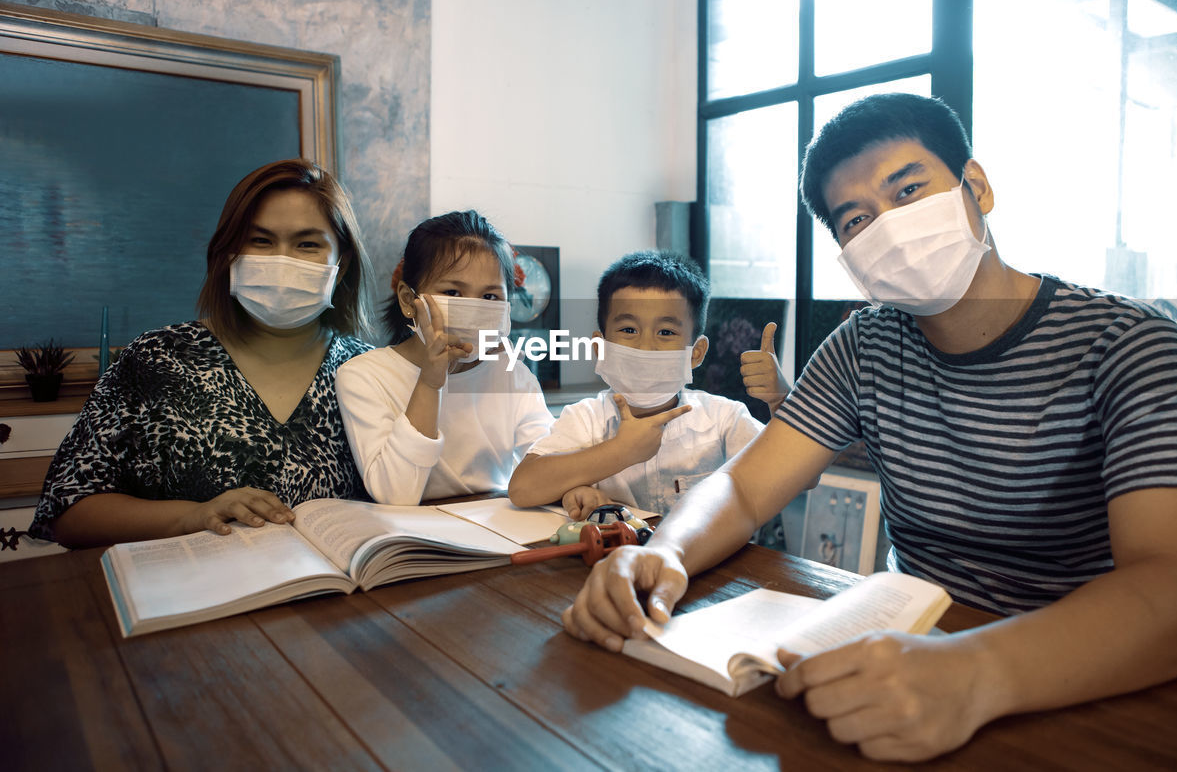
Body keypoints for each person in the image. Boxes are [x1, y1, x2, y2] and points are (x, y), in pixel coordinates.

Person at [561, 94, 1177, 761]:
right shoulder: (866, 346)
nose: (891, 227)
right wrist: (665, 550)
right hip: (909, 659)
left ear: (976, 186)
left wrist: (976, 671)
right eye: (857, 219)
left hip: (1083, 680)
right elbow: (743, 488)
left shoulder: (1128, 342)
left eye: (909, 189)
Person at [32, 158, 377, 547]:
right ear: (229, 253)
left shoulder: (370, 370)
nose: (283, 260)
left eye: (307, 244)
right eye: (260, 241)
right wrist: (191, 516)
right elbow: (69, 512)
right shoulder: (156, 360)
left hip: (343, 600)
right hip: (199, 599)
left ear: (342, 262)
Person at [508, 250, 779, 520]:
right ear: (600, 348)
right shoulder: (586, 419)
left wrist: (779, 400)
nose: (646, 347)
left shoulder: (724, 419)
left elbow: (796, 473)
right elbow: (522, 489)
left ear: (695, 353)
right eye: (628, 330)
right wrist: (620, 452)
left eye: (666, 332)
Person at [335, 210, 553, 504]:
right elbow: (395, 494)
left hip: (499, 533)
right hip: (413, 541)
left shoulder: (513, 375)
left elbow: (549, 464)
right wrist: (430, 382)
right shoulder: (363, 376)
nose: (474, 308)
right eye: (453, 291)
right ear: (408, 300)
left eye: (490, 297)